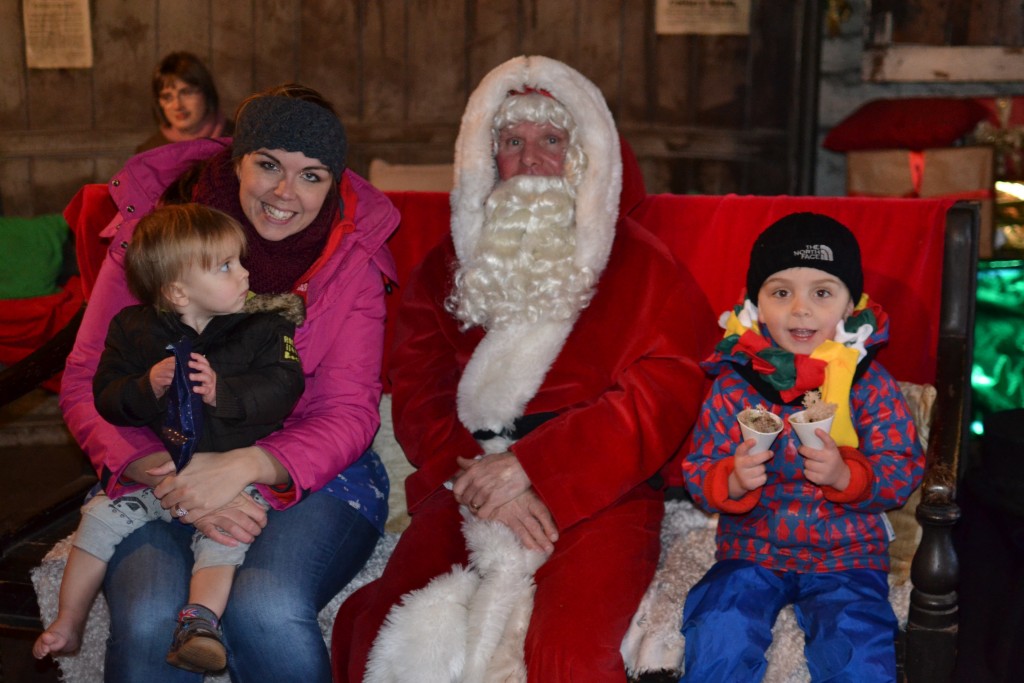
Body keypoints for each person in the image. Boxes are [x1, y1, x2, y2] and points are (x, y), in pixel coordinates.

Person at [332, 55, 708, 681]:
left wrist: (538, 469)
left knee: (572, 656)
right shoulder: (448, 264)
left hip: (598, 488)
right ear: (487, 158)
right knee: (384, 630)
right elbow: (419, 389)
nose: (531, 160)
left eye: (552, 141)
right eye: (512, 142)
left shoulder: (646, 266)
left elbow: (665, 393)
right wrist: (479, 478)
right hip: (467, 480)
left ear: (586, 156)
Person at [60, 84, 399, 682]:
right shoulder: (161, 243)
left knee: (264, 609)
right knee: (146, 618)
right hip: (160, 459)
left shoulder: (353, 261)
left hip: (307, 466)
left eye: (312, 175)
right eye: (268, 164)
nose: (285, 193)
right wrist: (162, 472)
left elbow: (348, 410)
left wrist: (245, 466)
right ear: (237, 158)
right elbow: (88, 379)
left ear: (334, 183)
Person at [33, 203, 305, 673]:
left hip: (228, 480)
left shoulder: (265, 326)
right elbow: (105, 396)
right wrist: (145, 387)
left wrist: (225, 392)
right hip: (156, 478)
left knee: (224, 538)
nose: (245, 274)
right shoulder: (133, 329)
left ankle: (198, 623)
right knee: (96, 520)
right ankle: (69, 620)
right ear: (178, 291)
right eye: (226, 266)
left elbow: (285, 385)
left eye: (240, 261)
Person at [679, 213, 925, 682]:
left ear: (851, 305)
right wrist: (729, 479)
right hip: (751, 548)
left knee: (856, 646)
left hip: (847, 555)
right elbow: (698, 465)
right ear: (755, 304)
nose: (800, 310)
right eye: (781, 292)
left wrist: (844, 475)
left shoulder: (867, 381)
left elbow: (902, 465)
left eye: (822, 292)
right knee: (718, 628)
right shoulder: (735, 382)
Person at [136, 51, 232, 153]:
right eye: (167, 97)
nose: (177, 106)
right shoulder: (149, 155)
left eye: (186, 93)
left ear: (206, 93)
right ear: (159, 103)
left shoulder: (239, 141)